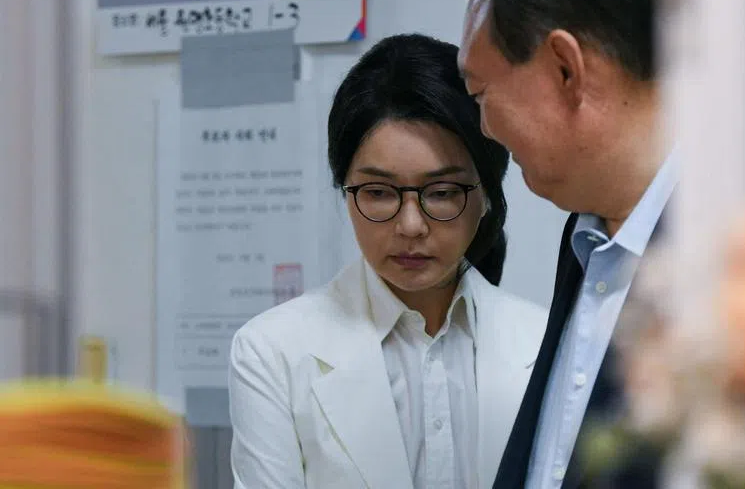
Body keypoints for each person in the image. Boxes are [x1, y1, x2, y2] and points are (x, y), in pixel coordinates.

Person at [228, 33, 547, 489]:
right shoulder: (272, 351)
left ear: (486, 197)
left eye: (441, 193)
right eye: (378, 193)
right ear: (345, 190)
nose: (411, 225)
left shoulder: (545, 342)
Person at [440, 0, 676, 488]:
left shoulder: (729, 255)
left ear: (566, 70)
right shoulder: (587, 237)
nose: (485, 128)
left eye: (480, 95)